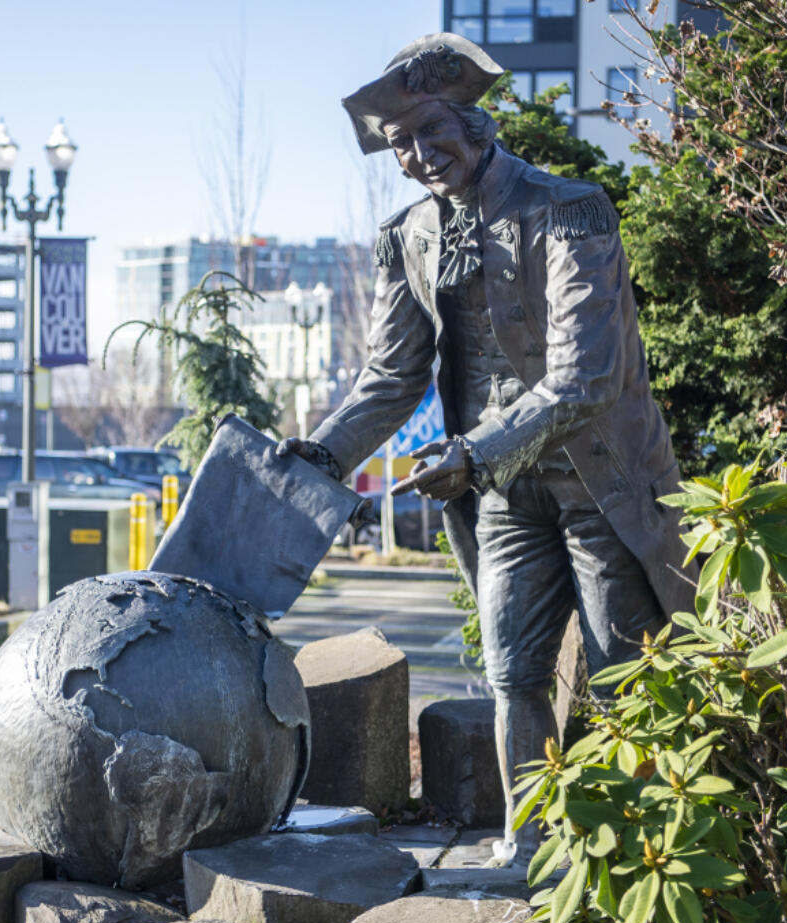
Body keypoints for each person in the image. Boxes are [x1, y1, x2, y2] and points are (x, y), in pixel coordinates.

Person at [278, 33, 694, 867]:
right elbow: (391, 377)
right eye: (403, 146)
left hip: (598, 481)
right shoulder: (407, 238)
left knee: (624, 672)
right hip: (501, 495)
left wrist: (471, 450)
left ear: (477, 127)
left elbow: (585, 377)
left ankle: (641, 848)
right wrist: (322, 456)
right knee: (513, 673)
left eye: (435, 135)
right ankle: (531, 844)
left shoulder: (569, 208)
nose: (423, 157)